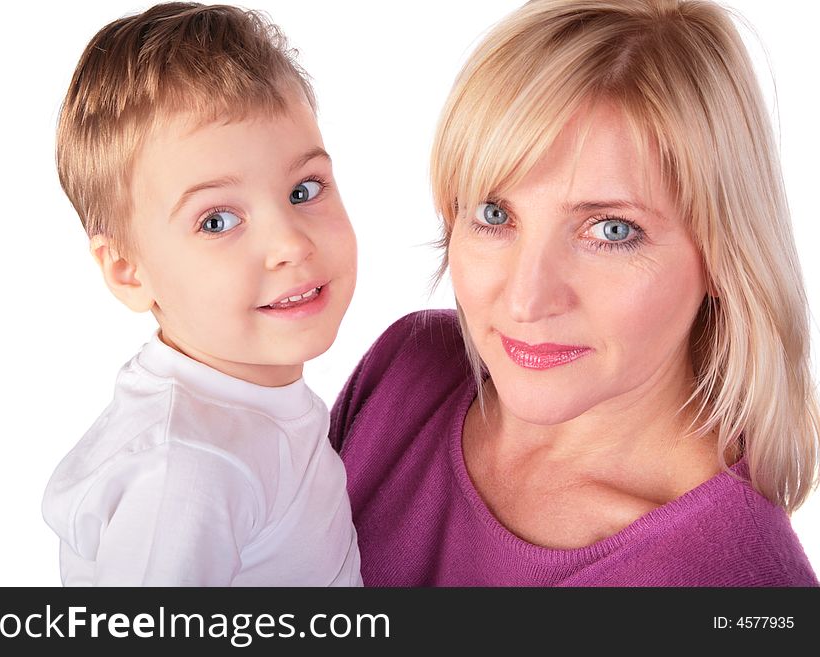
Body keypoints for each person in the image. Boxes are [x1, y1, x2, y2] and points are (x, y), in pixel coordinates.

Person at [331, 0, 819, 586]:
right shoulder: (406, 372)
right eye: (494, 213)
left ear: (722, 256)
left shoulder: (733, 579)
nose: (526, 300)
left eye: (612, 231)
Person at [42, 2, 360, 586]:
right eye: (217, 220)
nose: (289, 242)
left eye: (304, 189)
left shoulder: (247, 408)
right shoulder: (188, 469)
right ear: (128, 271)